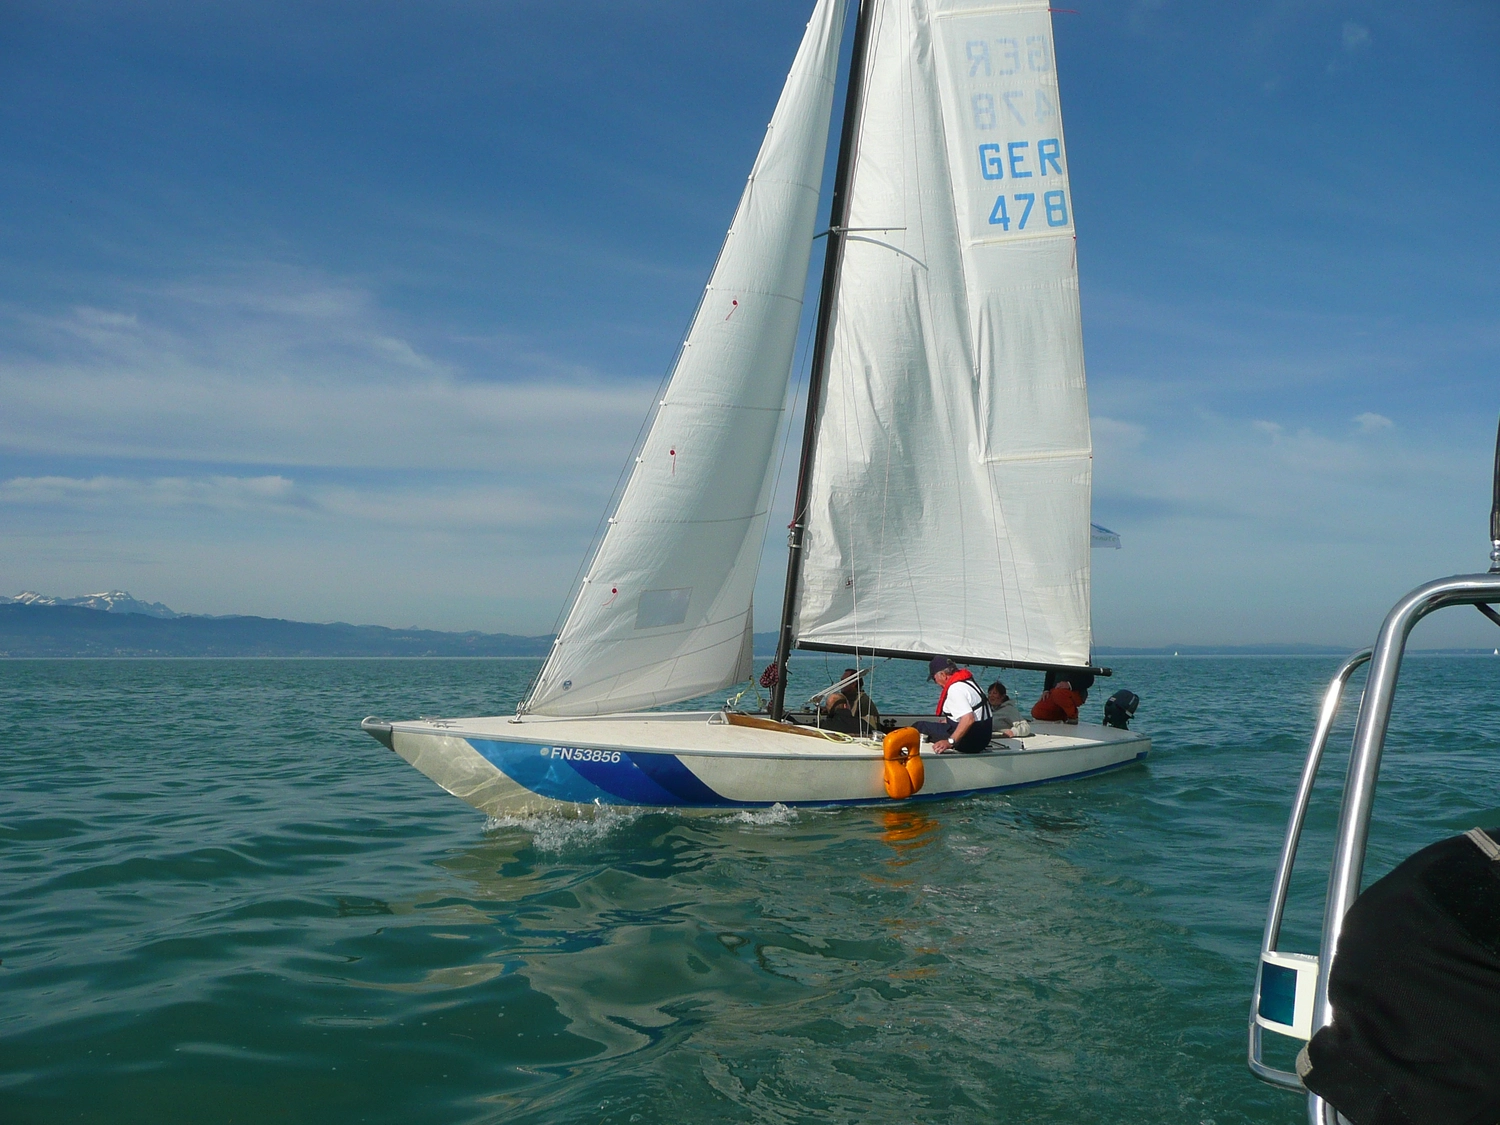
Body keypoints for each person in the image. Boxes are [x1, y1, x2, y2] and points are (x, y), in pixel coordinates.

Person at [915, 656, 993, 753]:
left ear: (943, 675)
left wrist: (950, 742)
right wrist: (949, 720)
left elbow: (968, 719)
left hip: (969, 743)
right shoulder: (969, 683)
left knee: (919, 726)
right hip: (983, 740)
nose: (936, 683)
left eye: (934, 679)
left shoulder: (955, 689)